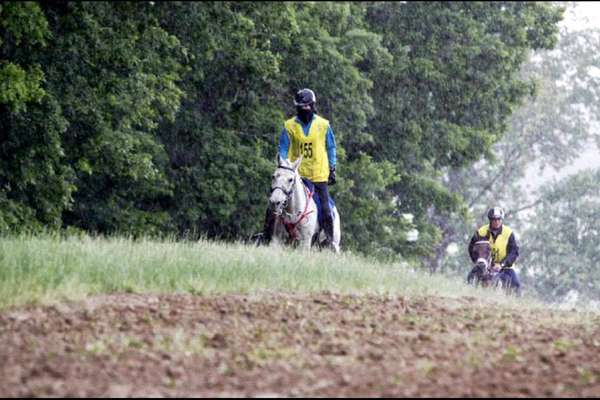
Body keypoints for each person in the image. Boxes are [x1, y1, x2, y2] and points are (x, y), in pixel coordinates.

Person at [259, 88, 337, 248]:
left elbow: (331, 147)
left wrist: (332, 166)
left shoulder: (323, 125)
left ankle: (329, 242)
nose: (303, 109)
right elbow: (283, 147)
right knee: (274, 203)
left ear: (313, 105)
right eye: (300, 106)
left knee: (326, 210)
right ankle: (266, 236)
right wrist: (283, 164)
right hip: (296, 175)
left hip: (318, 175)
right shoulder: (289, 126)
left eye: (306, 106)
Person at [467, 206, 521, 294]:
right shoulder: (481, 232)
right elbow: (471, 247)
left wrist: (502, 264)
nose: (496, 222)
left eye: (498, 219)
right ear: (490, 220)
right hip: (485, 265)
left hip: (505, 266)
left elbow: (514, 252)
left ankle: (517, 303)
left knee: (516, 284)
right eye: (494, 219)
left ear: (501, 219)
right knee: (470, 277)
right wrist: (479, 261)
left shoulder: (508, 233)